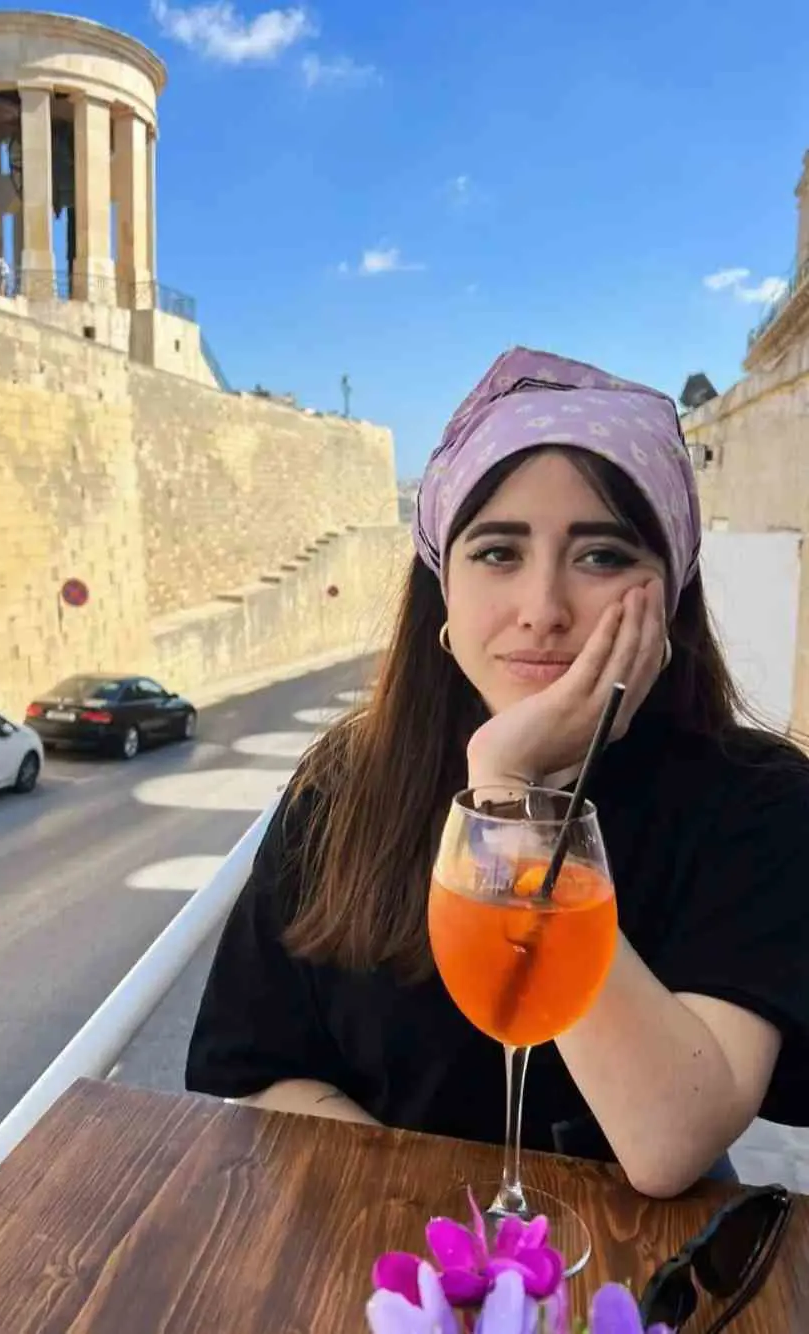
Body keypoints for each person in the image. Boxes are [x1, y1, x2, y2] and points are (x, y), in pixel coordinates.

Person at [186, 346, 809, 1199]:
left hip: (629, 1264)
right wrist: (439, 1235)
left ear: (669, 595)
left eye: (602, 556)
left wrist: (509, 789)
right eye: (497, 552)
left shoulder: (755, 801)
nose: (543, 610)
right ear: (442, 589)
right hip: (387, 1243)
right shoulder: (345, 784)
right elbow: (259, 1067)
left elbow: (668, 1142)